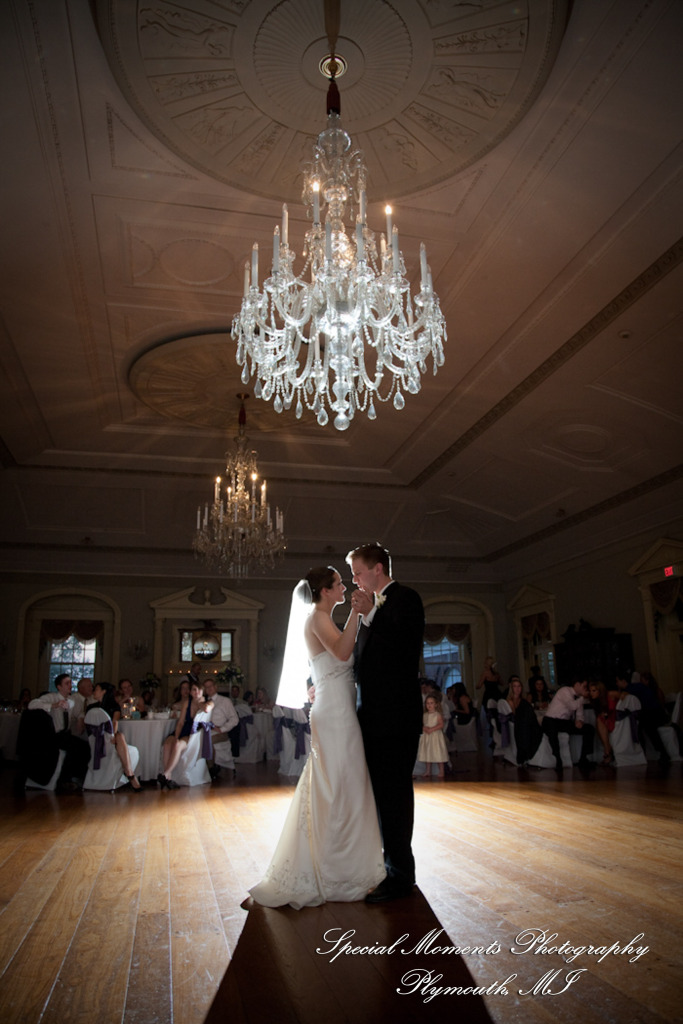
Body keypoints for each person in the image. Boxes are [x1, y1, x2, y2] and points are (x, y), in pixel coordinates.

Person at [249, 566, 385, 909]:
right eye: (339, 583)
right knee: (339, 784)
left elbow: (332, 660)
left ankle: (345, 863)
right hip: (336, 714)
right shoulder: (318, 617)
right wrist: (357, 611)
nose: (344, 587)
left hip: (336, 708)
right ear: (325, 591)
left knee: (341, 783)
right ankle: (335, 870)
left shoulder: (322, 618)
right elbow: (341, 653)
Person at [347, 542, 425, 903]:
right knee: (381, 796)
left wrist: (369, 616)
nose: (355, 581)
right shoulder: (370, 611)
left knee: (394, 796)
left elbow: (404, 649)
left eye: (358, 573)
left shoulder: (406, 599)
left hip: (396, 718)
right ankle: (389, 865)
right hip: (372, 717)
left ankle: (400, 875)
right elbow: (364, 665)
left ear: (377, 569)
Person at [27, 674, 90, 792]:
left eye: (71, 683)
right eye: (67, 683)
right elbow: (32, 704)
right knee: (74, 747)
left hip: (65, 735)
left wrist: (80, 718)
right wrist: (54, 705)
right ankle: (64, 780)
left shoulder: (71, 700)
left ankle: (74, 778)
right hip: (53, 736)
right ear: (59, 687)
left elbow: (79, 712)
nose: (70, 686)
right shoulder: (52, 697)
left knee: (85, 747)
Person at [87, 682, 143, 790]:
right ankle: (130, 775)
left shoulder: (112, 706)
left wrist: (110, 735)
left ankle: (129, 772)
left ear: (104, 692)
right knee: (120, 736)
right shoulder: (91, 707)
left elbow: (114, 723)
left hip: (107, 738)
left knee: (119, 736)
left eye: (97, 689)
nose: (94, 691)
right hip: (97, 738)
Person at [158, 681, 213, 789]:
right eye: (193, 689)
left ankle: (166, 774)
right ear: (191, 692)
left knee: (178, 745)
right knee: (168, 743)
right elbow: (181, 722)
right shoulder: (187, 703)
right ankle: (167, 777)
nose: (196, 692)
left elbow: (207, 709)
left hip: (194, 734)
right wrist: (176, 736)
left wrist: (199, 703)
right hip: (183, 729)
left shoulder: (209, 702)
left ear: (202, 691)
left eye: (198, 689)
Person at [542, 677, 595, 773]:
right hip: (550, 719)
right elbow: (572, 705)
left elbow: (580, 714)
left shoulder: (579, 698)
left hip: (563, 722)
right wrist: (583, 697)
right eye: (584, 686)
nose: (585, 689)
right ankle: (558, 759)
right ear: (577, 684)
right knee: (552, 732)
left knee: (589, 729)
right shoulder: (564, 691)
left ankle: (583, 758)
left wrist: (580, 721)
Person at [203, 676, 239, 779]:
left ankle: (211, 769)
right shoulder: (204, 702)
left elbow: (234, 719)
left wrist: (222, 729)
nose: (209, 689)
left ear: (215, 687)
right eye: (206, 687)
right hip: (207, 730)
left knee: (207, 740)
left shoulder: (225, 701)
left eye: (211, 686)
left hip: (220, 732)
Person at [417, 694, 449, 779]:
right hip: (427, 736)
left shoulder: (437, 714)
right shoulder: (425, 715)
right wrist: (425, 728)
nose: (429, 705)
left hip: (435, 736)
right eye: (427, 703)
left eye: (431, 703)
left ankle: (441, 770)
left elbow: (441, 725)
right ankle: (428, 770)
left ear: (435, 704)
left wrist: (432, 729)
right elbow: (423, 724)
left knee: (438, 753)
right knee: (428, 753)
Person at [588, 680, 617, 765]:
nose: (591, 693)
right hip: (608, 719)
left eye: (594, 691)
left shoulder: (610, 694)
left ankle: (607, 751)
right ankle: (608, 750)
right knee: (599, 720)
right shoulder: (597, 701)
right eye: (590, 691)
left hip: (616, 718)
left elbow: (624, 696)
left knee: (599, 720)